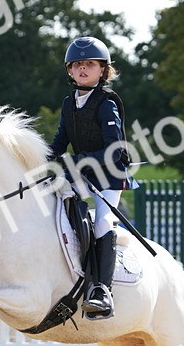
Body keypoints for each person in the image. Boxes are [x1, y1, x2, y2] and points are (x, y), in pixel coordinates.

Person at [48, 36, 135, 320]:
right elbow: (59, 141)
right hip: (83, 174)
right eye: (77, 65)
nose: (82, 68)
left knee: (102, 222)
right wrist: (37, 158)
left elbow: (114, 150)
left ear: (103, 70)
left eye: (89, 64)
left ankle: (101, 289)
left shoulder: (106, 103)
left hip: (110, 175)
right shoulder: (68, 103)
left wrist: (77, 160)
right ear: (70, 71)